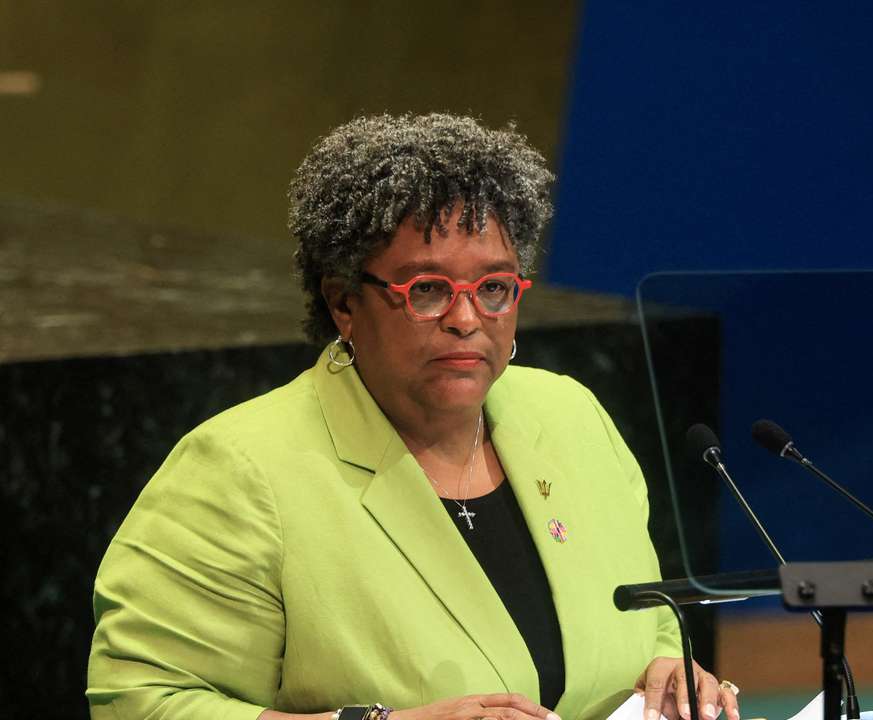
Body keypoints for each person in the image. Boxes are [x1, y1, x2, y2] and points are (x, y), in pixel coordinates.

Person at [86, 114, 741, 720]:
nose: (466, 319)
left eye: (493, 288)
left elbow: (648, 613)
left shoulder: (569, 415)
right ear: (344, 303)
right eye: (427, 290)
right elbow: (141, 701)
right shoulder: (239, 471)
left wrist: (664, 668)